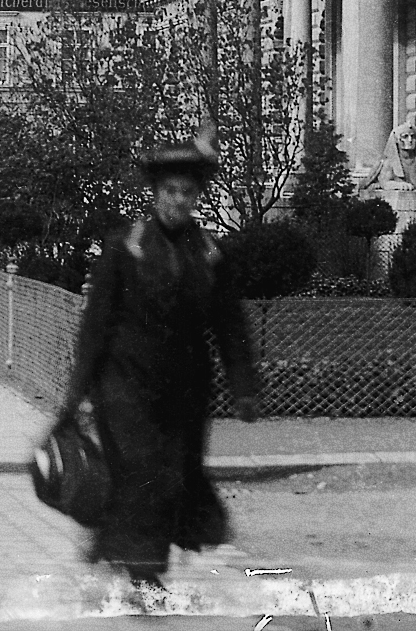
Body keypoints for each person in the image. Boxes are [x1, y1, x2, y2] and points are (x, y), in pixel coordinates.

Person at [57, 141, 260, 599]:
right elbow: (96, 325)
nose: (177, 201)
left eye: (186, 193)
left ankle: (118, 550)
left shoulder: (209, 254)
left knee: (170, 479)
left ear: (196, 197)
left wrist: (244, 386)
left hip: (185, 392)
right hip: (125, 385)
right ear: (155, 194)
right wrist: (78, 391)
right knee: (142, 474)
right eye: (169, 191)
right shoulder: (124, 247)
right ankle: (146, 578)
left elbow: (230, 324)